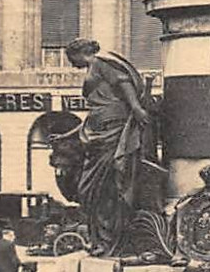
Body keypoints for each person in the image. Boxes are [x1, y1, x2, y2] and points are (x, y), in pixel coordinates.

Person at [52, 39, 159, 256]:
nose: (71, 64)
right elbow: (91, 118)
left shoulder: (102, 62)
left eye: (71, 59)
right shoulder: (94, 68)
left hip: (113, 131)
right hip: (98, 133)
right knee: (89, 189)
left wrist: (136, 108)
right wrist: (66, 135)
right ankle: (102, 238)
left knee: (104, 188)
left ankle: (109, 240)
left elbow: (123, 82)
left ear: (80, 52)